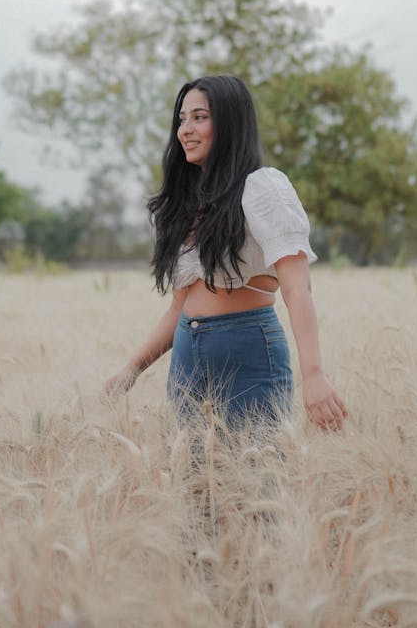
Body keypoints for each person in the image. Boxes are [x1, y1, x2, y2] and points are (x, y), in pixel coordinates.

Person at [104, 74, 347, 431]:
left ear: (230, 122)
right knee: (194, 480)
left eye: (199, 117)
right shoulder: (187, 204)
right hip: (187, 358)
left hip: (247, 353)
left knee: (255, 476)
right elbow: (179, 306)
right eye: (182, 119)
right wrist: (132, 369)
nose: (185, 129)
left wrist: (313, 375)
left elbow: (297, 289)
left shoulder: (263, 188)